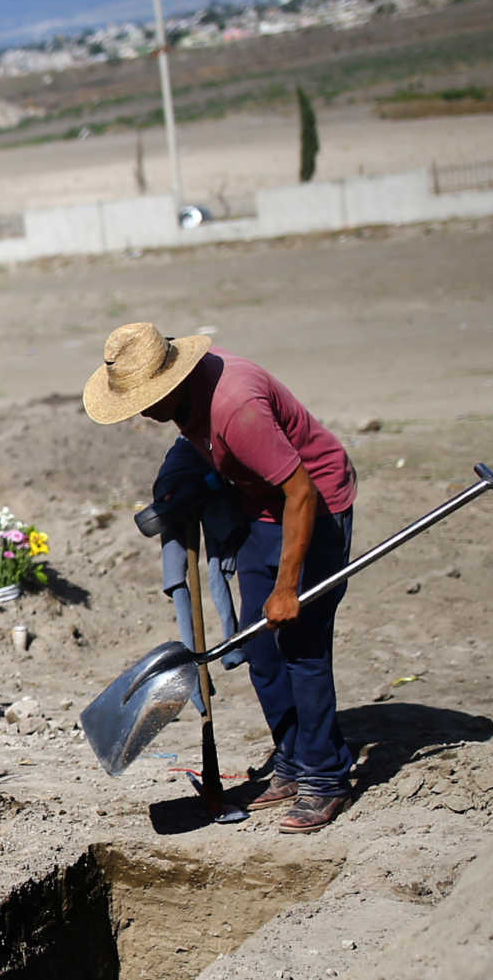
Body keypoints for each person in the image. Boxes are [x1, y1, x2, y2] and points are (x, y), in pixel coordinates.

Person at [85, 322, 359, 832]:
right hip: (263, 505)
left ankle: (325, 777)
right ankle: (295, 760)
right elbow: (198, 445)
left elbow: (302, 493)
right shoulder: (193, 396)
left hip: (312, 508)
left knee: (301, 646)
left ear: (171, 383)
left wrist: (286, 588)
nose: (143, 413)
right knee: (262, 648)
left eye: (146, 400)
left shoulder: (237, 410)